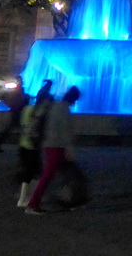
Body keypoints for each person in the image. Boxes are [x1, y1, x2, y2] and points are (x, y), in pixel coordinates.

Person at [25, 85, 82, 214]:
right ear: (73, 99)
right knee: (48, 175)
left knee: (65, 175)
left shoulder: (56, 106)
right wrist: (70, 150)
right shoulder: (63, 110)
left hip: (51, 144)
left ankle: (70, 201)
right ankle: (33, 204)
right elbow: (65, 132)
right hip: (56, 146)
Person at [16, 82, 54, 207]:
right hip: (33, 146)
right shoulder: (40, 113)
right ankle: (24, 199)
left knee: (34, 171)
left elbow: (22, 125)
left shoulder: (27, 109)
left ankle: (30, 196)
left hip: (23, 144)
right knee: (32, 172)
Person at [0, 77, 27, 152]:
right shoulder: (19, 90)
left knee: (10, 130)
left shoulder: (18, 89)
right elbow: (19, 100)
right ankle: (23, 147)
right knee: (20, 131)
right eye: (21, 81)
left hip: (16, 111)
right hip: (18, 112)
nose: (22, 82)